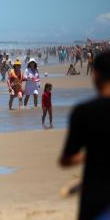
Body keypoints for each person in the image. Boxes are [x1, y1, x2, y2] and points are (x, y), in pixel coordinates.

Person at [60, 51, 110, 220]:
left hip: (95, 198)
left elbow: (66, 159)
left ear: (95, 75)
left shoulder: (83, 112)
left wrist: (90, 155)